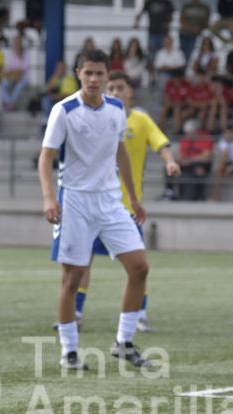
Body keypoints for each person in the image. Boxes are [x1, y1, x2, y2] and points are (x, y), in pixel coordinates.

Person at [39, 49, 151, 371]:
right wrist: (49, 198)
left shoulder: (117, 108)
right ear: (78, 73)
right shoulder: (65, 110)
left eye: (99, 73)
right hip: (74, 200)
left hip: (110, 201)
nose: (93, 79)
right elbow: (46, 158)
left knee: (139, 267)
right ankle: (69, 352)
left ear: (107, 76)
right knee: (72, 278)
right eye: (87, 72)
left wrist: (134, 198)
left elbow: (121, 154)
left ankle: (124, 342)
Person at [71, 71, 180, 333]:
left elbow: (161, 143)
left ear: (130, 92)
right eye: (112, 88)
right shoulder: (98, 120)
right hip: (94, 204)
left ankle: (140, 314)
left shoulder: (140, 120)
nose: (116, 92)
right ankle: (75, 312)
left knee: (137, 265)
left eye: (121, 88)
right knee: (82, 260)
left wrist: (170, 161)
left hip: (128, 208)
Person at [133, 0, 175, 84]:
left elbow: (171, 15)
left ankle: (160, 77)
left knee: (162, 56)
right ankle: (152, 77)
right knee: (151, 56)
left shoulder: (167, 3)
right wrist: (136, 22)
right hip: (152, 33)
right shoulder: (150, 2)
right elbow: (141, 12)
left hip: (163, 33)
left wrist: (167, 23)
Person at [0, 34, 29, 111]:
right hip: (13, 77)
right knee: (3, 85)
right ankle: (10, 103)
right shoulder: (12, 53)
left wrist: (14, 75)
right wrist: (10, 76)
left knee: (18, 87)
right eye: (15, 42)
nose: (16, 44)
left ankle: (11, 103)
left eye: (18, 42)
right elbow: (10, 69)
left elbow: (22, 71)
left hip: (23, 78)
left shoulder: (25, 53)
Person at [178, 0, 210, 66]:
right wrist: (191, 28)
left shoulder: (204, 7)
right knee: (182, 54)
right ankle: (182, 69)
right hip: (184, 33)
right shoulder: (186, 6)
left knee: (191, 53)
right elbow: (182, 19)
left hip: (198, 34)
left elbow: (206, 20)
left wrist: (199, 27)